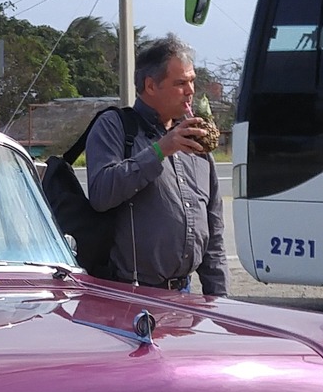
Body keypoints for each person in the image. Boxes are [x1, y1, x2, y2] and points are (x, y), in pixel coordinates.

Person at [83, 35, 227, 296]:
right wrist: (162, 150)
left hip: (184, 295)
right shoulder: (115, 126)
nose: (191, 91)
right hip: (128, 294)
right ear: (151, 86)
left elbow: (214, 231)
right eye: (180, 83)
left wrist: (219, 299)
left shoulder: (197, 138)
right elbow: (101, 194)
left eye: (192, 81)